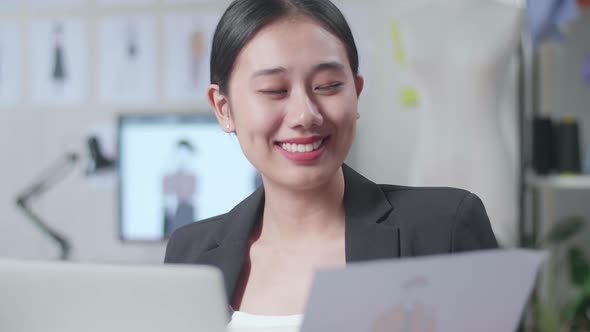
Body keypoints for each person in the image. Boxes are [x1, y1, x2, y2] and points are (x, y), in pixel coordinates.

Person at [164, 0, 498, 329]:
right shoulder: (190, 253)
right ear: (223, 108)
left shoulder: (443, 230)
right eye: (274, 90)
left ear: (356, 92)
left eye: (328, 86)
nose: (305, 115)